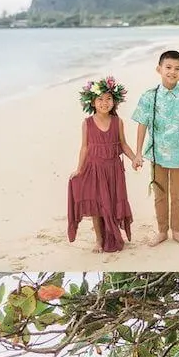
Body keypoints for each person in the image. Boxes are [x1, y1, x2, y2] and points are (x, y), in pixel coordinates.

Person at [132, 49, 179, 246]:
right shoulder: (149, 96)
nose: (172, 72)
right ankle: (162, 230)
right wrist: (138, 152)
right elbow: (142, 124)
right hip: (156, 154)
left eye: (177, 69)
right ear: (159, 69)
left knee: (178, 195)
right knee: (160, 194)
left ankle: (177, 230)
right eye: (168, 67)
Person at [68, 76, 136, 254]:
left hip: (114, 171)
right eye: (100, 99)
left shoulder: (118, 122)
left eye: (108, 99)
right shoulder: (87, 123)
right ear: (92, 102)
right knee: (98, 207)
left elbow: (123, 145)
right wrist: (79, 169)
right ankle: (99, 240)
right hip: (95, 170)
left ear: (115, 101)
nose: (105, 103)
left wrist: (134, 158)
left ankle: (113, 236)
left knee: (113, 204)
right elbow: (84, 148)